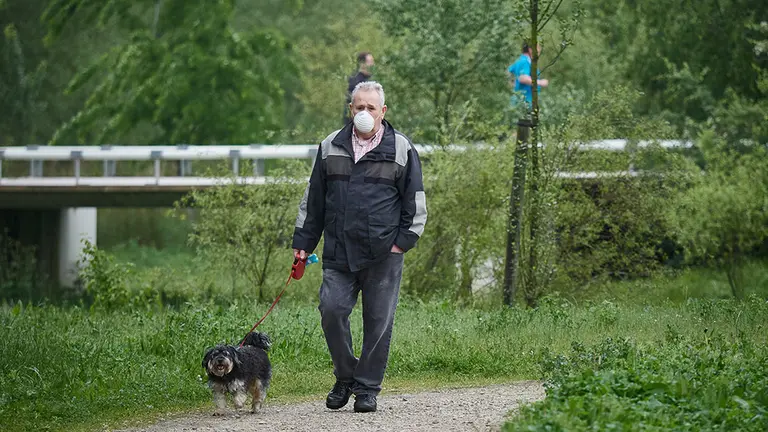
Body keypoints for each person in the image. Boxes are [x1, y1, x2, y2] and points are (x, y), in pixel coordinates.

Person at [293, 81, 427, 413]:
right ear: (350, 109)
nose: (364, 112)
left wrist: (401, 244)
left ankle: (366, 388)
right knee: (332, 311)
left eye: (371, 107)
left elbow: (416, 204)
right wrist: (303, 244)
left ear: (383, 112)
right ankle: (345, 375)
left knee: (378, 322)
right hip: (339, 250)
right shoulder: (330, 146)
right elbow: (314, 202)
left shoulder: (401, 149)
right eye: (359, 106)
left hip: (384, 254)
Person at [508, 42, 549, 112]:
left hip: (519, 100)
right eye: (538, 47)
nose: (539, 50)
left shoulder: (520, 60)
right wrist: (541, 82)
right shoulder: (525, 61)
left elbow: (508, 72)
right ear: (530, 49)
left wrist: (513, 84)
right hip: (525, 102)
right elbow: (522, 78)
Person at [342, 52, 375, 126]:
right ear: (362, 64)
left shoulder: (373, 79)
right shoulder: (355, 81)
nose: (372, 64)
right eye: (370, 62)